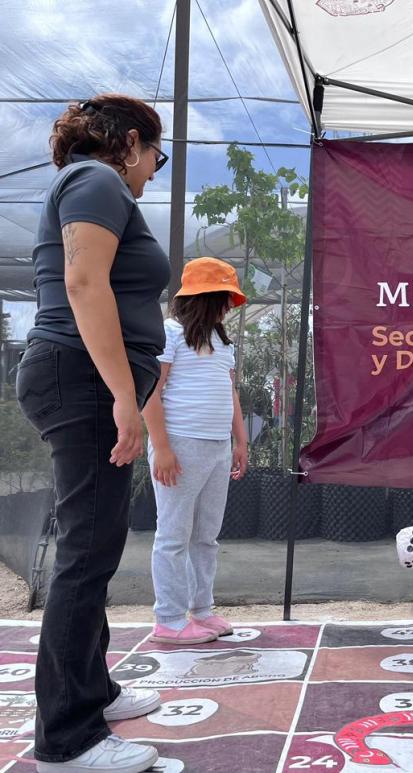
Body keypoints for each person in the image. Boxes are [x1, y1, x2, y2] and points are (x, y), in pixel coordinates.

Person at [16, 94, 171, 772]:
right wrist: (121, 395)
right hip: (79, 380)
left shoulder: (95, 184)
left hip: (81, 379)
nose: (154, 172)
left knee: (97, 541)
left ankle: (92, 690)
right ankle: (66, 738)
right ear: (132, 142)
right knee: (87, 550)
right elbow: (84, 283)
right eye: (157, 158)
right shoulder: (96, 178)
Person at [142, 257, 248, 645]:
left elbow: (230, 391)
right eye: (223, 298)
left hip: (217, 448)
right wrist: (163, 448)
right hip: (181, 446)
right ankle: (168, 619)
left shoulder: (222, 342)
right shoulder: (170, 333)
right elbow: (152, 390)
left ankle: (201, 611)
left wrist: (240, 441)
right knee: (173, 535)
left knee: (206, 535)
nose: (227, 307)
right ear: (204, 298)